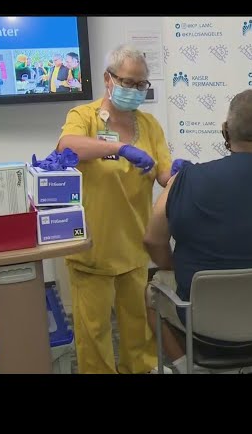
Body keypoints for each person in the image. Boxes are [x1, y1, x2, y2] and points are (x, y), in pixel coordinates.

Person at [143, 89, 252, 374]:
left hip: (207, 321)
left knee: (151, 293)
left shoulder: (185, 180)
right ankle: (250, 365)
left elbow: (152, 240)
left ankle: (189, 368)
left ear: (225, 131)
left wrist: (172, 267)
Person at [56, 44, 173, 374]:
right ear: (108, 79)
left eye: (141, 84)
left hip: (134, 242)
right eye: (127, 82)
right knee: (93, 331)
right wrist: (119, 148)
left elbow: (163, 173)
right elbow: (66, 147)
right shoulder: (84, 116)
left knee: (138, 325)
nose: (134, 90)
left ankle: (141, 369)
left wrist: (177, 173)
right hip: (93, 247)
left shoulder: (149, 125)